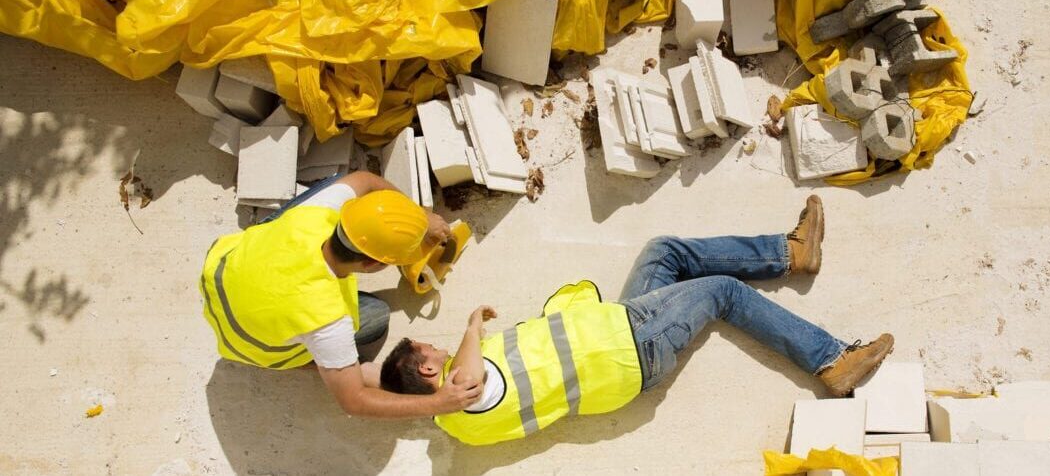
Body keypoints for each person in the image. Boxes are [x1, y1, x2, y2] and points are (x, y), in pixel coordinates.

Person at [379, 196, 894, 445]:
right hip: (631, 348)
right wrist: (472, 325)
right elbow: (469, 379)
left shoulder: (458, 426)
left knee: (662, 252)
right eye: (431, 352)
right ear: (428, 373)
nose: (441, 350)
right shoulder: (463, 396)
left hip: (616, 333)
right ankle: (831, 359)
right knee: (722, 292)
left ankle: (789, 253)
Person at [199, 170, 481, 419]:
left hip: (224, 275)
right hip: (249, 343)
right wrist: (439, 403)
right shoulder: (327, 317)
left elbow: (367, 180)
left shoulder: (317, 215)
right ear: (373, 264)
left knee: (336, 183)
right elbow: (353, 401)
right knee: (376, 316)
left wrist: (419, 217)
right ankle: (312, 363)